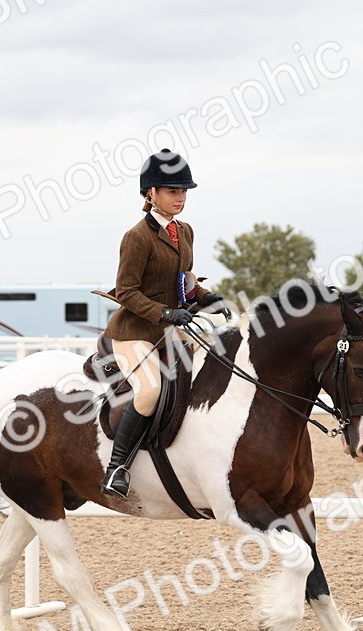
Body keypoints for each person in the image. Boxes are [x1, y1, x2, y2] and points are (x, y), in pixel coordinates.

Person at [97, 149, 222, 497]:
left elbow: (184, 280)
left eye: (183, 191)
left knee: (210, 369)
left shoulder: (185, 231)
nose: (180, 198)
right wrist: (166, 313)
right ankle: (117, 467)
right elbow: (127, 291)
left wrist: (205, 297)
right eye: (172, 191)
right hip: (134, 332)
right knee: (150, 389)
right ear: (150, 193)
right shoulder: (137, 237)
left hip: (169, 331)